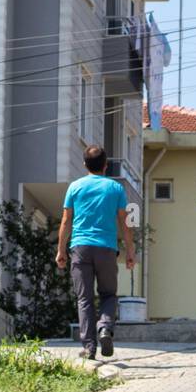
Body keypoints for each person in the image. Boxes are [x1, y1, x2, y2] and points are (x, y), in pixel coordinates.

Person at [56, 145, 135, 360]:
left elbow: (66, 220)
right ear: (106, 165)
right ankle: (105, 328)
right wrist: (130, 251)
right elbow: (125, 222)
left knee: (84, 298)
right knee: (108, 294)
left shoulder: (74, 187)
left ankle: (89, 347)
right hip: (107, 249)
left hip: (80, 248)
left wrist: (60, 250)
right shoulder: (116, 189)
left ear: (84, 165)